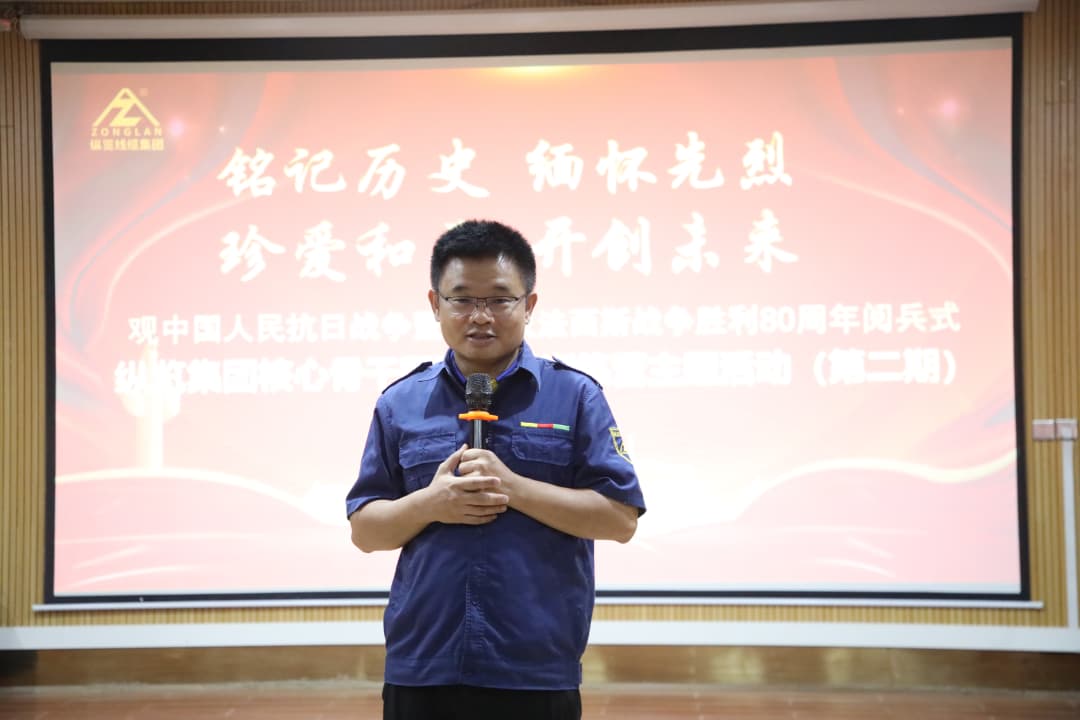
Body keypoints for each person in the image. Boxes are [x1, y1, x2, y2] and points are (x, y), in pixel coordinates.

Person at [345, 219, 646, 720]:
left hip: (534, 665)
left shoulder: (575, 396)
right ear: (435, 304)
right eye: (462, 299)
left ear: (529, 305)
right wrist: (431, 504)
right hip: (423, 665)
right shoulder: (400, 403)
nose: (480, 316)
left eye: (500, 299)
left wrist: (514, 487)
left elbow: (620, 519)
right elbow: (365, 532)